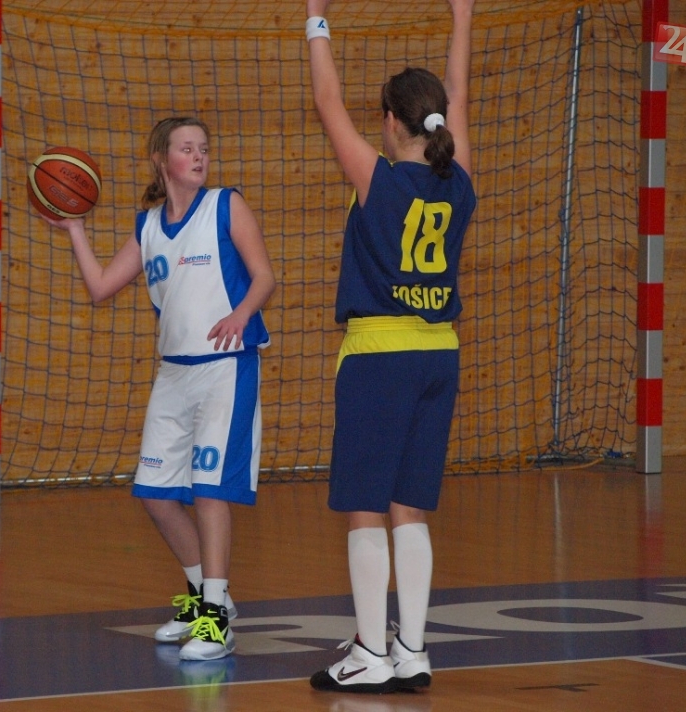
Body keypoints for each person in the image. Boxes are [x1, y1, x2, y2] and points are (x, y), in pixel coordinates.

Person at [43, 116, 276, 661]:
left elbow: (264, 276)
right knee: (155, 494)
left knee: (209, 490)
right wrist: (75, 229)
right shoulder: (148, 227)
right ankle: (203, 596)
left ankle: (216, 620)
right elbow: (101, 287)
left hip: (225, 367)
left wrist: (242, 314)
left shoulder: (225, 205)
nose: (198, 156)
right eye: (186, 148)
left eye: (204, 148)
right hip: (173, 374)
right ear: (160, 159)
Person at [304, 0, 476, 694]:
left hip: (379, 356)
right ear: (436, 123)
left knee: (366, 505)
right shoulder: (459, 179)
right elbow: (460, 93)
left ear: (388, 121)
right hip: (440, 355)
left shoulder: (375, 178)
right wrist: (462, 19)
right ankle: (412, 649)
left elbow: (326, 100)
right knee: (411, 505)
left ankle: (371, 652)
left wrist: (315, 18)